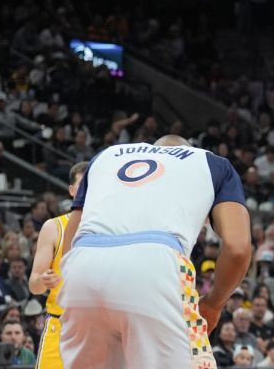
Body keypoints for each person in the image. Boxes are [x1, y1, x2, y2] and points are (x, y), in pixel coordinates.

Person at [57, 135, 252, 368]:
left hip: (82, 267)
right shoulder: (212, 164)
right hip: (155, 266)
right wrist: (214, 303)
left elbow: (71, 236)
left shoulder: (105, 156)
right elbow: (238, 249)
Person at [27, 161, 87, 369]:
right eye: (84, 184)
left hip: (99, 328)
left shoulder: (113, 229)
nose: (90, 190)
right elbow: (34, 285)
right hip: (60, 325)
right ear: (72, 191)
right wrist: (43, 281)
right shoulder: (54, 227)